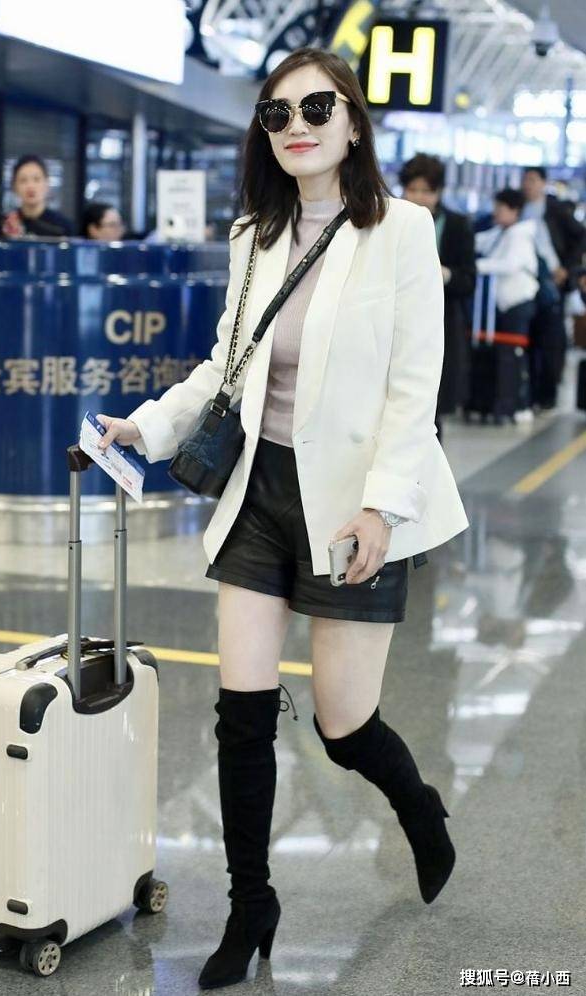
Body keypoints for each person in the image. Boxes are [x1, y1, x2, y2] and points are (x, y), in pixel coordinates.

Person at [96, 46, 468, 990]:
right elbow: (224, 365)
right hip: (259, 493)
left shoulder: (402, 231)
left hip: (352, 503)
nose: (295, 125)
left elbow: (412, 387)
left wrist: (383, 506)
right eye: (275, 113)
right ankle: (250, 903)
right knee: (242, 714)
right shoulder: (254, 235)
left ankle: (418, 806)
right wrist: (143, 427)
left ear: (352, 123)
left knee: (344, 725)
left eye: (315, 108)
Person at [400, 153, 476, 444]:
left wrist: (444, 275)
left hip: (441, 325)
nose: (419, 197)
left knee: (432, 409)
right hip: (398, 322)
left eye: (427, 191)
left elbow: (468, 279)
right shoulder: (389, 220)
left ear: (439, 192)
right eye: (413, 189)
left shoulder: (456, 225)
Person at [522, 166, 586, 410]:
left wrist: (568, 269)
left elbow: (581, 236)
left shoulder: (556, 209)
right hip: (526, 281)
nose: (528, 185)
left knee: (551, 340)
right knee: (528, 340)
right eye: (525, 180)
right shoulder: (519, 208)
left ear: (543, 183)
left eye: (532, 180)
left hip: (552, 281)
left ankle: (548, 395)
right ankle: (529, 395)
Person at [475, 188, 538, 423]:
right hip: (504, 305)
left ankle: (519, 404)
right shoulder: (502, 232)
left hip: (518, 303)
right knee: (505, 355)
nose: (496, 212)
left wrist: (478, 266)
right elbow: (478, 242)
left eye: (500, 208)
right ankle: (504, 403)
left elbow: (510, 264)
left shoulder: (520, 235)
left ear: (515, 211)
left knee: (513, 355)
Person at [0, 155, 73, 238]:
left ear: (47, 184)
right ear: (14, 186)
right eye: (23, 180)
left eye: (36, 179)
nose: (30, 186)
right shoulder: (5, 224)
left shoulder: (63, 227)